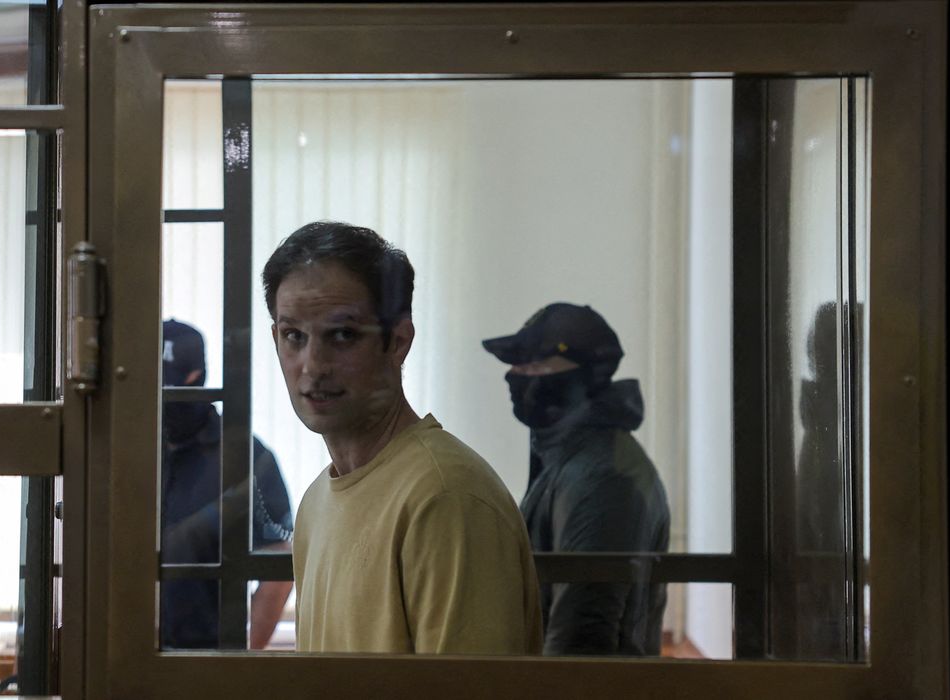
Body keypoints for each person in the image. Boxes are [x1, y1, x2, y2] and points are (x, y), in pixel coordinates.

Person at [262, 221, 542, 654]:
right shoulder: (316, 502)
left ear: (398, 341)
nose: (312, 365)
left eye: (342, 335)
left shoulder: (446, 497)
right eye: (293, 336)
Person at [483, 303, 670, 656]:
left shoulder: (603, 478)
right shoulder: (567, 456)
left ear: (581, 376)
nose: (515, 375)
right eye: (516, 363)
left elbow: (581, 638)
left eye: (534, 364)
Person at [158, 319, 294, 650]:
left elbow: (281, 564)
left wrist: (243, 652)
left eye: (174, 386)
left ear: (198, 378)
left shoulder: (245, 457)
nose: (163, 400)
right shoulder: (126, 452)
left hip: (208, 659)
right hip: (125, 658)